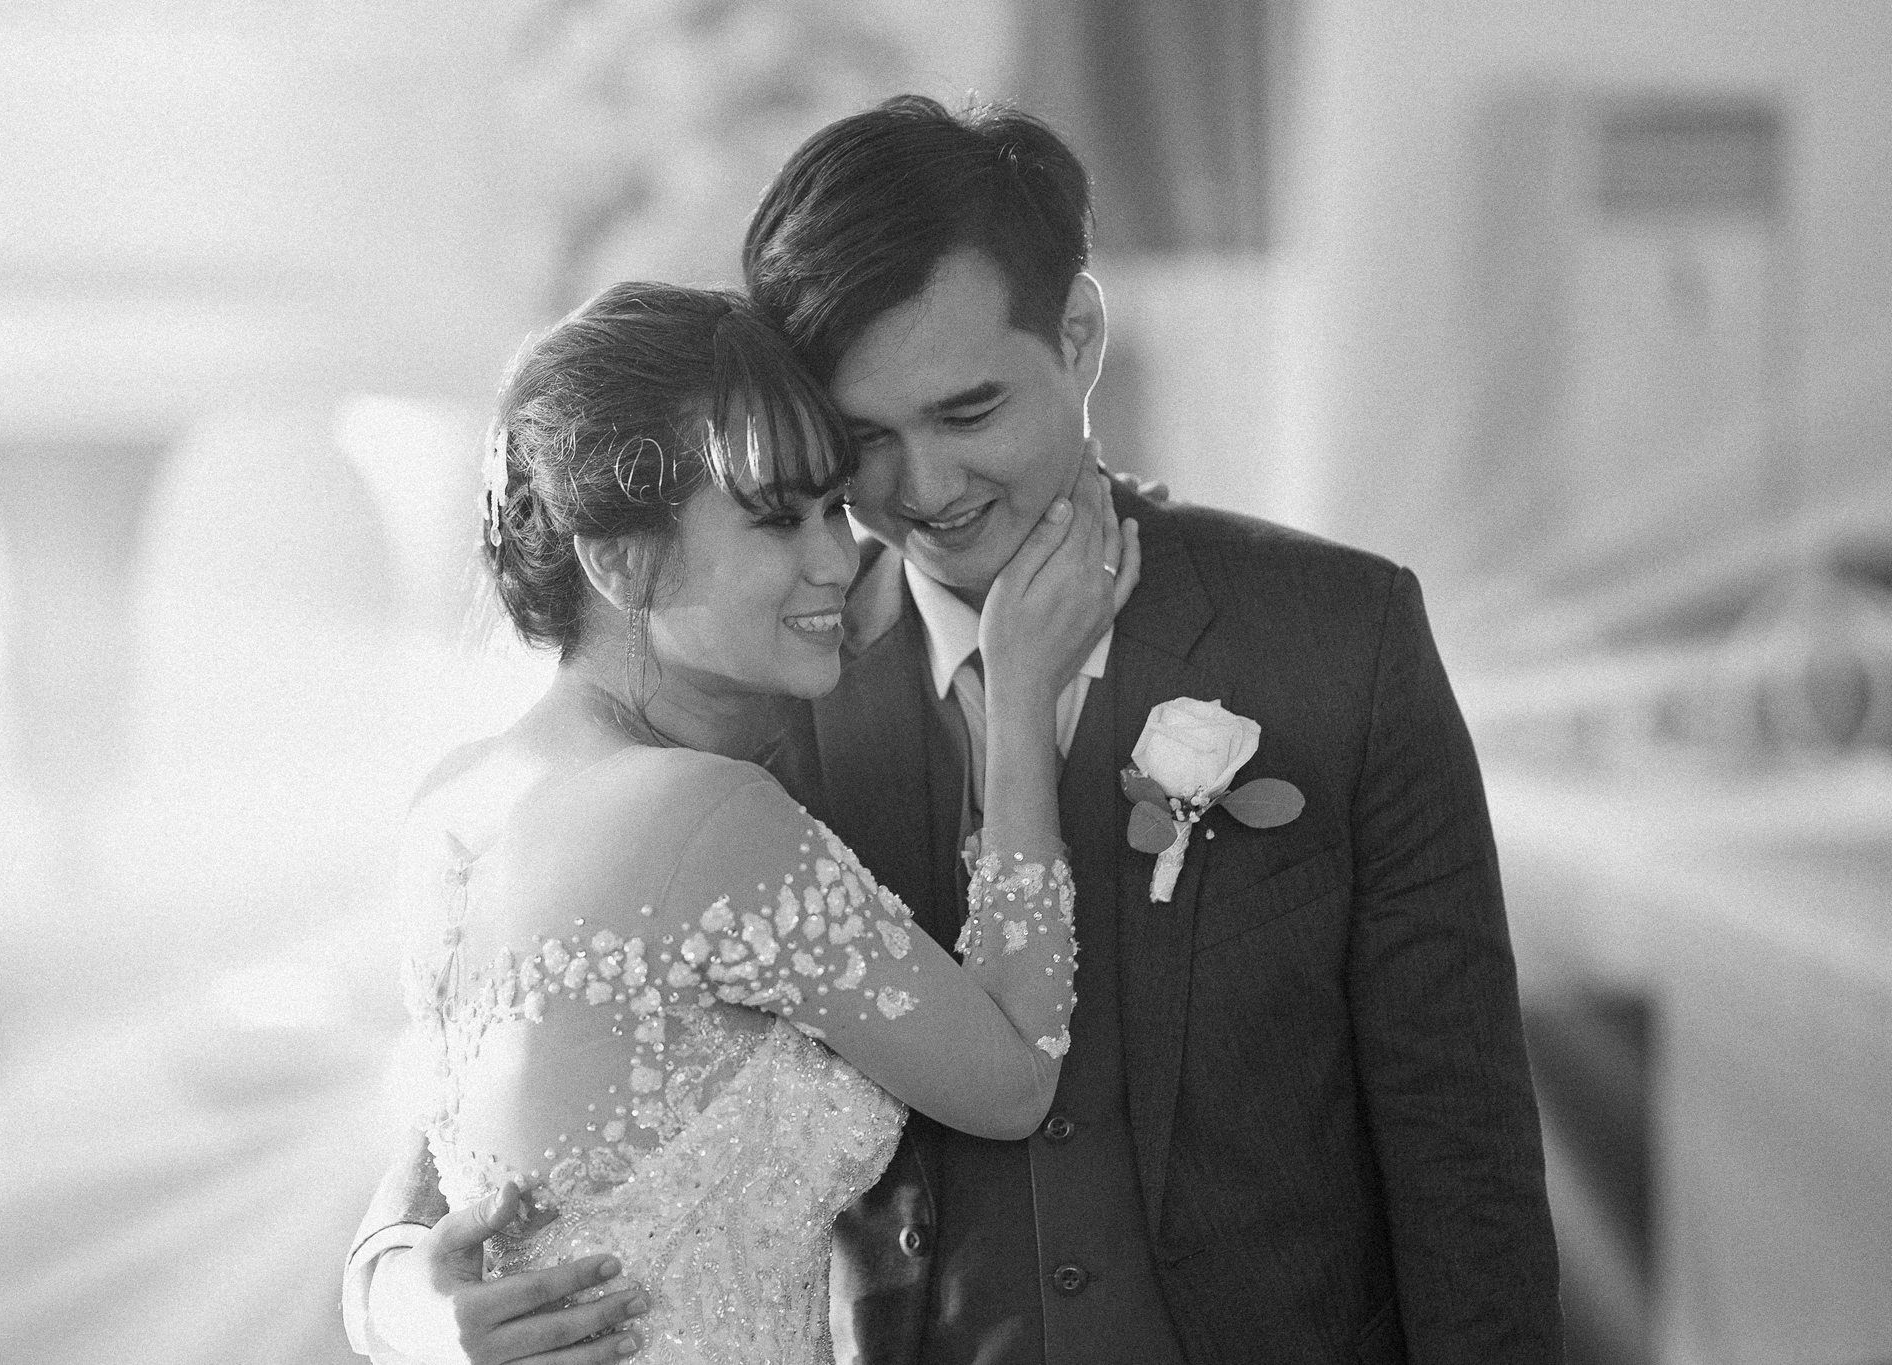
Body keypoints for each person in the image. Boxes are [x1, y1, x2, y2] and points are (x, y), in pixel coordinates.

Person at [349, 97, 1563, 1364]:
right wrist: (404, 1307)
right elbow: (479, 1117)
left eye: (967, 413)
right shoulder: (744, 712)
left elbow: (1460, 1139)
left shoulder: (1335, 639)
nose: (921, 491)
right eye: (861, 443)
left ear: (1077, 338)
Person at [346, 280, 1139, 1365]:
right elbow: (1012, 1079)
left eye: (833, 507)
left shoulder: (455, 802)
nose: (837, 558)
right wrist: (1021, 694)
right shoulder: (701, 813)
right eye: (776, 519)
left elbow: (446, 1166)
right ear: (619, 559)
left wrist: (390, 1295)